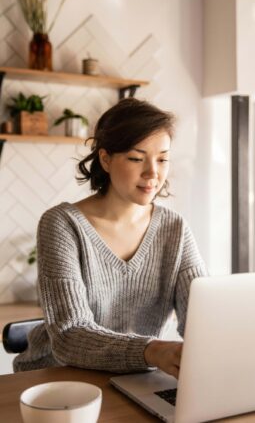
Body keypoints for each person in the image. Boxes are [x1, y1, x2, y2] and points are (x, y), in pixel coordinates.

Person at [13, 98, 207, 377]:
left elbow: (202, 319)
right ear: (105, 159)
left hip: (134, 377)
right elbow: (69, 335)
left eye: (163, 159)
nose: (153, 173)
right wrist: (150, 350)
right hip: (56, 378)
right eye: (136, 158)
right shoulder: (62, 225)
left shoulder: (174, 229)